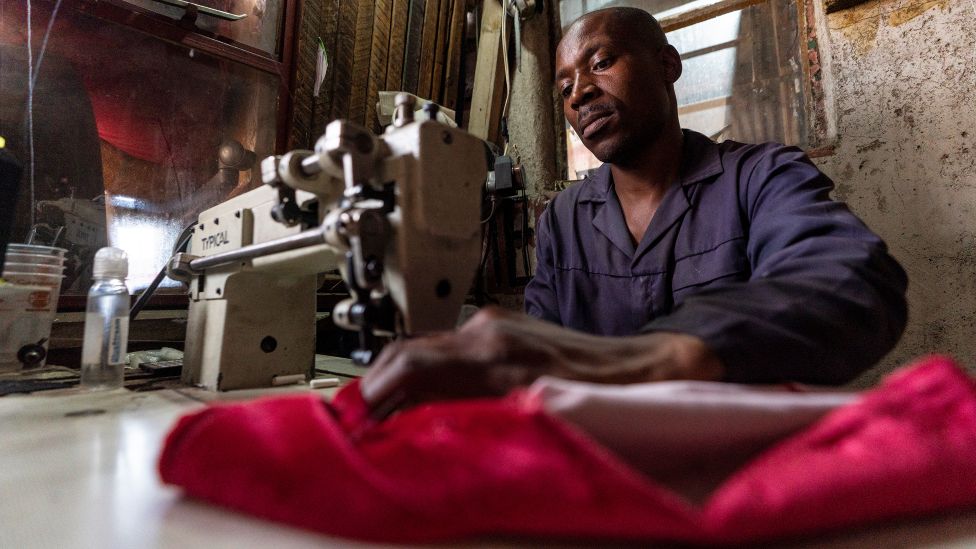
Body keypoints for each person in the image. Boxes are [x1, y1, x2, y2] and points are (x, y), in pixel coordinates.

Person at [360, 7, 907, 415]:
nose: (579, 95)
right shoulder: (564, 221)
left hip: (755, 465)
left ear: (667, 64)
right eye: (565, 86)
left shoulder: (761, 178)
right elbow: (540, 353)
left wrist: (661, 358)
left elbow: (851, 282)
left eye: (600, 63)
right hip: (606, 469)